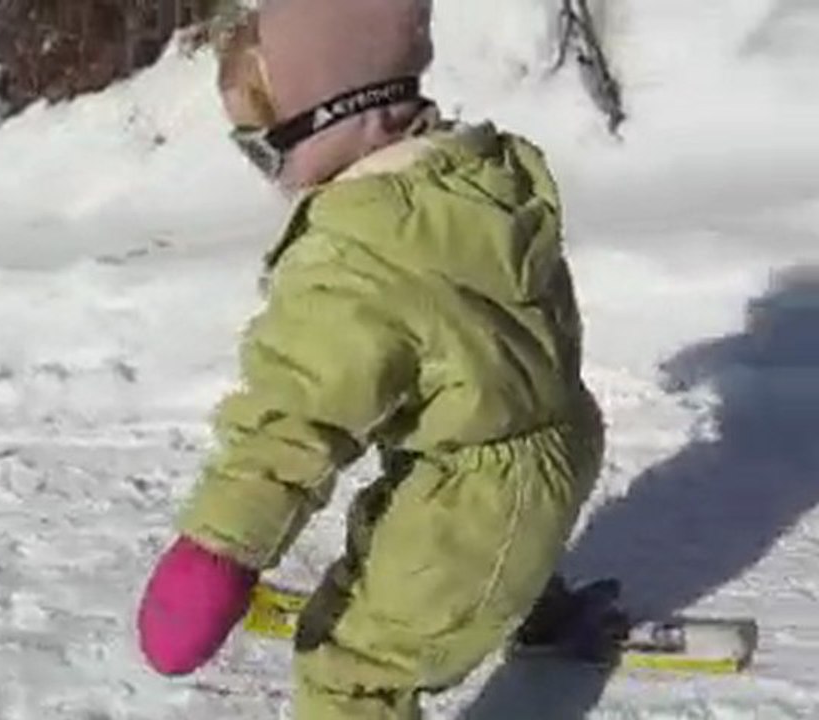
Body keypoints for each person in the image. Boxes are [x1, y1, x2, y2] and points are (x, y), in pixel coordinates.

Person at [136, 0, 607, 717]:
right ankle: (520, 597)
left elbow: (292, 423)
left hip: (476, 501)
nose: (268, 171)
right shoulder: (480, 177)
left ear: (334, 118)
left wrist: (216, 554)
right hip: (561, 440)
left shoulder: (351, 260)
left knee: (349, 675)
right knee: (416, 496)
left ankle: (490, 593)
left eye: (263, 146)